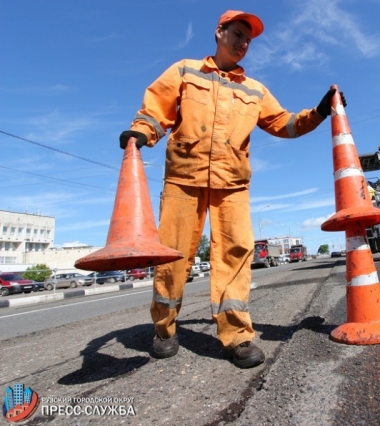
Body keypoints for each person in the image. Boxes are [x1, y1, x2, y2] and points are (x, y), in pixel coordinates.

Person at [118, 10, 346, 369]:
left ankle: (237, 336)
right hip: (184, 177)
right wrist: (140, 133)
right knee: (172, 256)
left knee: (236, 254)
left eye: (248, 40)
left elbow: (284, 124)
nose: (243, 43)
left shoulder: (254, 90)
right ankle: (164, 328)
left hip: (232, 183)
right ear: (219, 32)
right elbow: (155, 110)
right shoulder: (185, 71)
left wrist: (317, 111)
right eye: (237, 34)